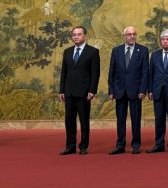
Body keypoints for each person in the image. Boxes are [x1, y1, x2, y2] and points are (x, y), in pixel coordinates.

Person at [58, 26, 100, 155]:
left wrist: (92, 91)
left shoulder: (92, 52)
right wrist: (61, 90)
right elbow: (64, 72)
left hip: (84, 92)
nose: (76, 37)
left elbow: (95, 73)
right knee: (69, 120)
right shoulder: (67, 51)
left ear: (84, 36)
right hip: (69, 92)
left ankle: (83, 146)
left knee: (84, 120)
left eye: (79, 34)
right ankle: (70, 146)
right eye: (74, 35)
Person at [107, 26, 149, 155]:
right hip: (119, 91)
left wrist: (143, 90)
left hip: (136, 91)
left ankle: (136, 145)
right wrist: (111, 90)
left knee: (136, 119)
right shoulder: (116, 51)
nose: (132, 36)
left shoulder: (143, 50)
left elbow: (145, 72)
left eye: (134, 34)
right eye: (129, 34)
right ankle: (120, 145)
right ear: (124, 36)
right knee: (120, 120)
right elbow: (112, 72)